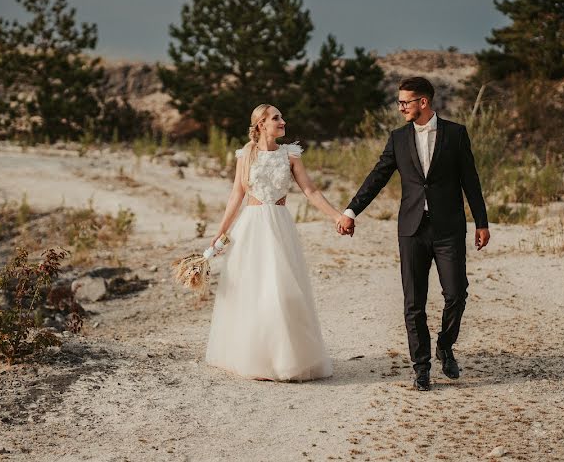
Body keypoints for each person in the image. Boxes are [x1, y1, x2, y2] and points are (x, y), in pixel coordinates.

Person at [335, 77, 490, 391]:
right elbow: (377, 177)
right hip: (411, 229)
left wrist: (481, 222)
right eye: (400, 101)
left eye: (405, 101)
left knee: (456, 293)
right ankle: (421, 369)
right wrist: (351, 211)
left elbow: (470, 180)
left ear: (423, 102)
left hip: (449, 228)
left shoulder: (456, 134)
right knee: (413, 302)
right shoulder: (398, 138)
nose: (400, 106)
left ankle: (445, 345)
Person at [205, 104, 337, 381]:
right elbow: (235, 196)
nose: (283, 121)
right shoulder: (246, 155)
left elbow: (310, 190)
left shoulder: (290, 155)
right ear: (262, 124)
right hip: (251, 228)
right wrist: (220, 232)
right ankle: (255, 359)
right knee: (253, 292)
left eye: (282, 117)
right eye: (276, 118)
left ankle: (287, 360)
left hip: (279, 226)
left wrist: (337, 216)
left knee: (283, 290)